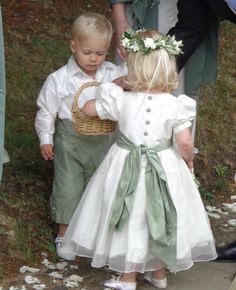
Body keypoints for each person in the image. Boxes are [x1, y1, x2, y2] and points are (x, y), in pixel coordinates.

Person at [63, 30, 217, 290]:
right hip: (165, 166)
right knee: (161, 215)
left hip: (125, 165)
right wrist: (188, 160)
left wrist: (115, 84)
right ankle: (159, 274)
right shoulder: (176, 104)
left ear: (133, 68)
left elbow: (87, 109)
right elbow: (185, 142)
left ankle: (128, 277)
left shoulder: (121, 99)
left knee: (129, 215)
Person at [35, 12, 126, 261]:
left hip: (103, 140)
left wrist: (129, 61)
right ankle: (64, 233)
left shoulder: (111, 73)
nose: (94, 59)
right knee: (69, 185)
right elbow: (46, 111)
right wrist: (46, 138)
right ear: (73, 45)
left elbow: (130, 82)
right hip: (70, 140)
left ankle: (96, 234)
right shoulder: (59, 79)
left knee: (101, 185)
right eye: (87, 52)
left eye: (100, 53)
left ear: (108, 50)